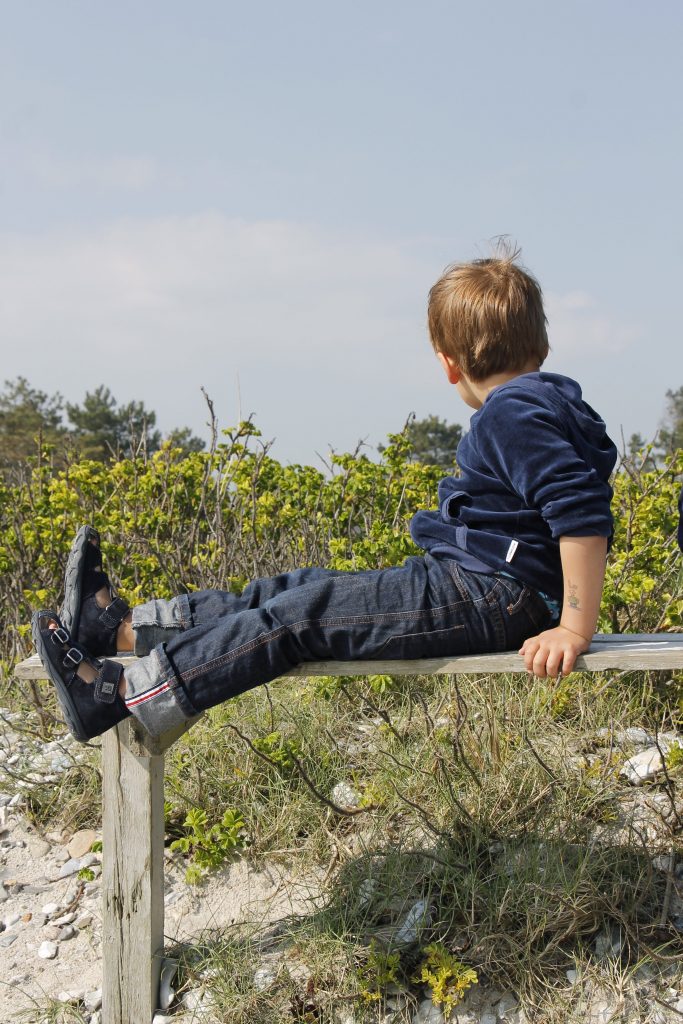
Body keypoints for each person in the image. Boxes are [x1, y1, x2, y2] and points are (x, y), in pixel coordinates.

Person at [32, 248, 618, 742]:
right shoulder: (543, 405)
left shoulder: (510, 413)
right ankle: (114, 631)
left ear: (448, 365)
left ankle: (120, 697)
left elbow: (580, 515)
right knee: (297, 591)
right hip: (480, 584)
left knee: (296, 618)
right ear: (539, 345)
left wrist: (573, 627)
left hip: (494, 594)